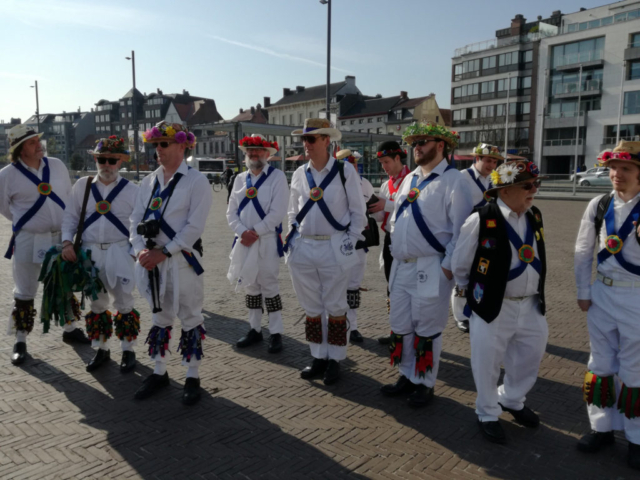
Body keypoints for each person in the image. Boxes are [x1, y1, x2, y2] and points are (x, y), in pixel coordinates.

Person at [452, 159, 548, 444]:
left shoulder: (535, 215)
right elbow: (460, 263)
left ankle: (512, 400)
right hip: (494, 305)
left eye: (536, 184)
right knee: (488, 362)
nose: (534, 190)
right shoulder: (481, 218)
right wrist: (474, 292)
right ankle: (487, 412)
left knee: (529, 357)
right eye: (527, 186)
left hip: (531, 303)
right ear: (504, 189)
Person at [380, 122, 466, 407]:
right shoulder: (410, 178)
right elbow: (396, 218)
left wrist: (447, 268)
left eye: (423, 141)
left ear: (441, 145)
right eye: (414, 142)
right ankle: (406, 375)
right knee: (401, 324)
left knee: (427, 327)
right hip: (402, 265)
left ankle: (424, 382)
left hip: (431, 266)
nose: (416, 147)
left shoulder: (455, 180)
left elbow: (462, 231)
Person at [131, 122, 212, 405]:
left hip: (182, 260)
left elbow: (194, 227)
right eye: (155, 145)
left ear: (182, 146)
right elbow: (135, 220)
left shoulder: (196, 181)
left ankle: (192, 376)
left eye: (164, 144)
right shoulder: (149, 181)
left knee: (190, 315)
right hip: (153, 261)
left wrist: (164, 251)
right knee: (160, 315)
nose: (158, 150)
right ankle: (159, 370)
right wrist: (140, 249)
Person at [574, 142, 640, 470]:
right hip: (601, 294)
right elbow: (583, 250)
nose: (616, 174)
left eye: (626, 168)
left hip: (636, 297)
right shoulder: (599, 204)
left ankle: (636, 437)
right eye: (613, 167)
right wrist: (581, 290)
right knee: (599, 363)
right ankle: (600, 428)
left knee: (634, 369)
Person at [285, 118, 366, 385]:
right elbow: (292, 211)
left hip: (334, 245)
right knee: (311, 306)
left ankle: (336, 359)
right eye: (304, 139)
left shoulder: (345, 172)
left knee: (335, 305)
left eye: (311, 139)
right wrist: (292, 239)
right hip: (304, 246)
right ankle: (318, 356)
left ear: (326, 141)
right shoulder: (299, 174)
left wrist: (349, 242)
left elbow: (358, 212)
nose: (306, 144)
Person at [0, 123, 88, 366]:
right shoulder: (6, 175)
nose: (39, 145)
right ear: (20, 150)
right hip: (29, 238)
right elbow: (5, 208)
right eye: (32, 142)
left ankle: (70, 328)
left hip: (60, 237)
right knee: (25, 290)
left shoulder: (57, 166)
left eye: (38, 140)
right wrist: (28, 222)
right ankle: (20, 340)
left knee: (64, 284)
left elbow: (69, 198)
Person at [60, 136, 140, 373]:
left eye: (112, 160)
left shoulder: (132, 190)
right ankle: (101, 348)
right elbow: (71, 217)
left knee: (124, 301)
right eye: (102, 159)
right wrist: (66, 243)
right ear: (95, 160)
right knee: (96, 303)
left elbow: (139, 223)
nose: (106, 165)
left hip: (120, 250)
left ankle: (128, 350)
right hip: (90, 253)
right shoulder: (82, 186)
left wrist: (134, 252)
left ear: (120, 161)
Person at [227, 134, 289, 353]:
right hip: (244, 240)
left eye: (258, 151)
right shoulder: (240, 179)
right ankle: (254, 329)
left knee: (269, 285)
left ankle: (275, 332)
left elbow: (278, 211)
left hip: (266, 240)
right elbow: (231, 211)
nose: (253, 154)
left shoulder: (277, 177)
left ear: (267, 154)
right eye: (250, 151)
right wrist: (242, 231)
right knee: (250, 286)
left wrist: (257, 231)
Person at [451, 143, 502, 333]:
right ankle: (461, 315)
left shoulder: (494, 180)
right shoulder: (463, 178)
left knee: (482, 271)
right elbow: (456, 211)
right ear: (477, 159)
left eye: (495, 161)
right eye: (488, 160)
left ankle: (477, 307)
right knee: (462, 273)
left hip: (487, 235)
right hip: (466, 233)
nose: (491, 165)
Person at [368, 141, 410, 344]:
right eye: (381, 163)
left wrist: (388, 205)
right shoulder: (386, 184)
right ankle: (396, 329)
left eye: (386, 162)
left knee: (406, 287)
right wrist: (370, 210)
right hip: (390, 239)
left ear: (397, 158)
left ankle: (408, 331)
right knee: (391, 286)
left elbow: (414, 208)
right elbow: (381, 216)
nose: (383, 166)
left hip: (409, 241)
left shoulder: (413, 179)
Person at [336, 149, 374, 343]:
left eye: (356, 163)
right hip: (340, 240)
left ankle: (353, 326)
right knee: (337, 284)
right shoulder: (334, 183)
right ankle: (337, 324)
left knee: (354, 284)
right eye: (350, 163)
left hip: (360, 241)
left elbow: (373, 207)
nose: (355, 167)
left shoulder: (364, 183)